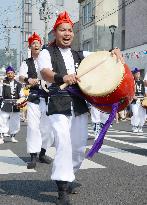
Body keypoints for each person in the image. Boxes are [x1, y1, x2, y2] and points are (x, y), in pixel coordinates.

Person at [37, 11, 125, 205]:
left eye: (69, 30)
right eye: (62, 30)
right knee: (64, 144)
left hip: (78, 105)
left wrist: (114, 50)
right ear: (55, 32)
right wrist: (62, 77)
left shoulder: (79, 55)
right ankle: (62, 188)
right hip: (58, 105)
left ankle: (68, 177)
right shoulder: (46, 52)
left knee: (77, 148)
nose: (66, 33)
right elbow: (45, 72)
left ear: (73, 33)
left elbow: (102, 58)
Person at [19, 32, 54, 169]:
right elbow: (21, 77)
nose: (36, 45)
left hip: (48, 96)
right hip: (34, 97)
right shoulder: (26, 63)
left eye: (38, 43)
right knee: (33, 127)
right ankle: (33, 156)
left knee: (48, 128)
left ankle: (43, 153)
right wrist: (28, 80)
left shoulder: (47, 60)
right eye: (33, 43)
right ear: (30, 47)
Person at [0, 66, 22, 144]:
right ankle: (1, 137)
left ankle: (13, 136)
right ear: (6, 74)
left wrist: (21, 101)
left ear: (14, 74)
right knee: (3, 120)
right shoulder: (3, 83)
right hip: (6, 103)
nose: (10, 75)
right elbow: (0, 94)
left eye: (11, 73)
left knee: (15, 121)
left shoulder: (18, 84)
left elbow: (21, 94)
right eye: (8, 73)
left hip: (16, 104)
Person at [131, 67, 146, 133]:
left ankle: (140, 126)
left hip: (141, 99)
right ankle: (135, 126)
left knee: (142, 114)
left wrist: (145, 97)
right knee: (135, 114)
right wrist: (132, 96)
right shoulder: (131, 81)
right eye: (136, 73)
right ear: (134, 74)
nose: (138, 74)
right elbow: (129, 91)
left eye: (139, 73)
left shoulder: (142, 82)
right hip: (134, 101)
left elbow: (144, 91)